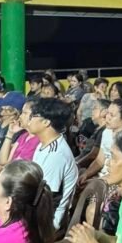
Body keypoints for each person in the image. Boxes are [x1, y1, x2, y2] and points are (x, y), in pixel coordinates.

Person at [24, 98, 79, 230]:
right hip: (37, 212)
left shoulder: (56, 154)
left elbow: (48, 199)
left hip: (48, 222)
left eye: (33, 115)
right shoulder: (44, 145)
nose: (29, 120)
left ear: (46, 122)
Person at [83, 99, 122, 183]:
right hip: (102, 176)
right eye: (107, 113)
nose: (107, 118)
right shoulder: (106, 132)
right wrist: (86, 175)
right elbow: (99, 160)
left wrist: (97, 181)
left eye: (112, 115)